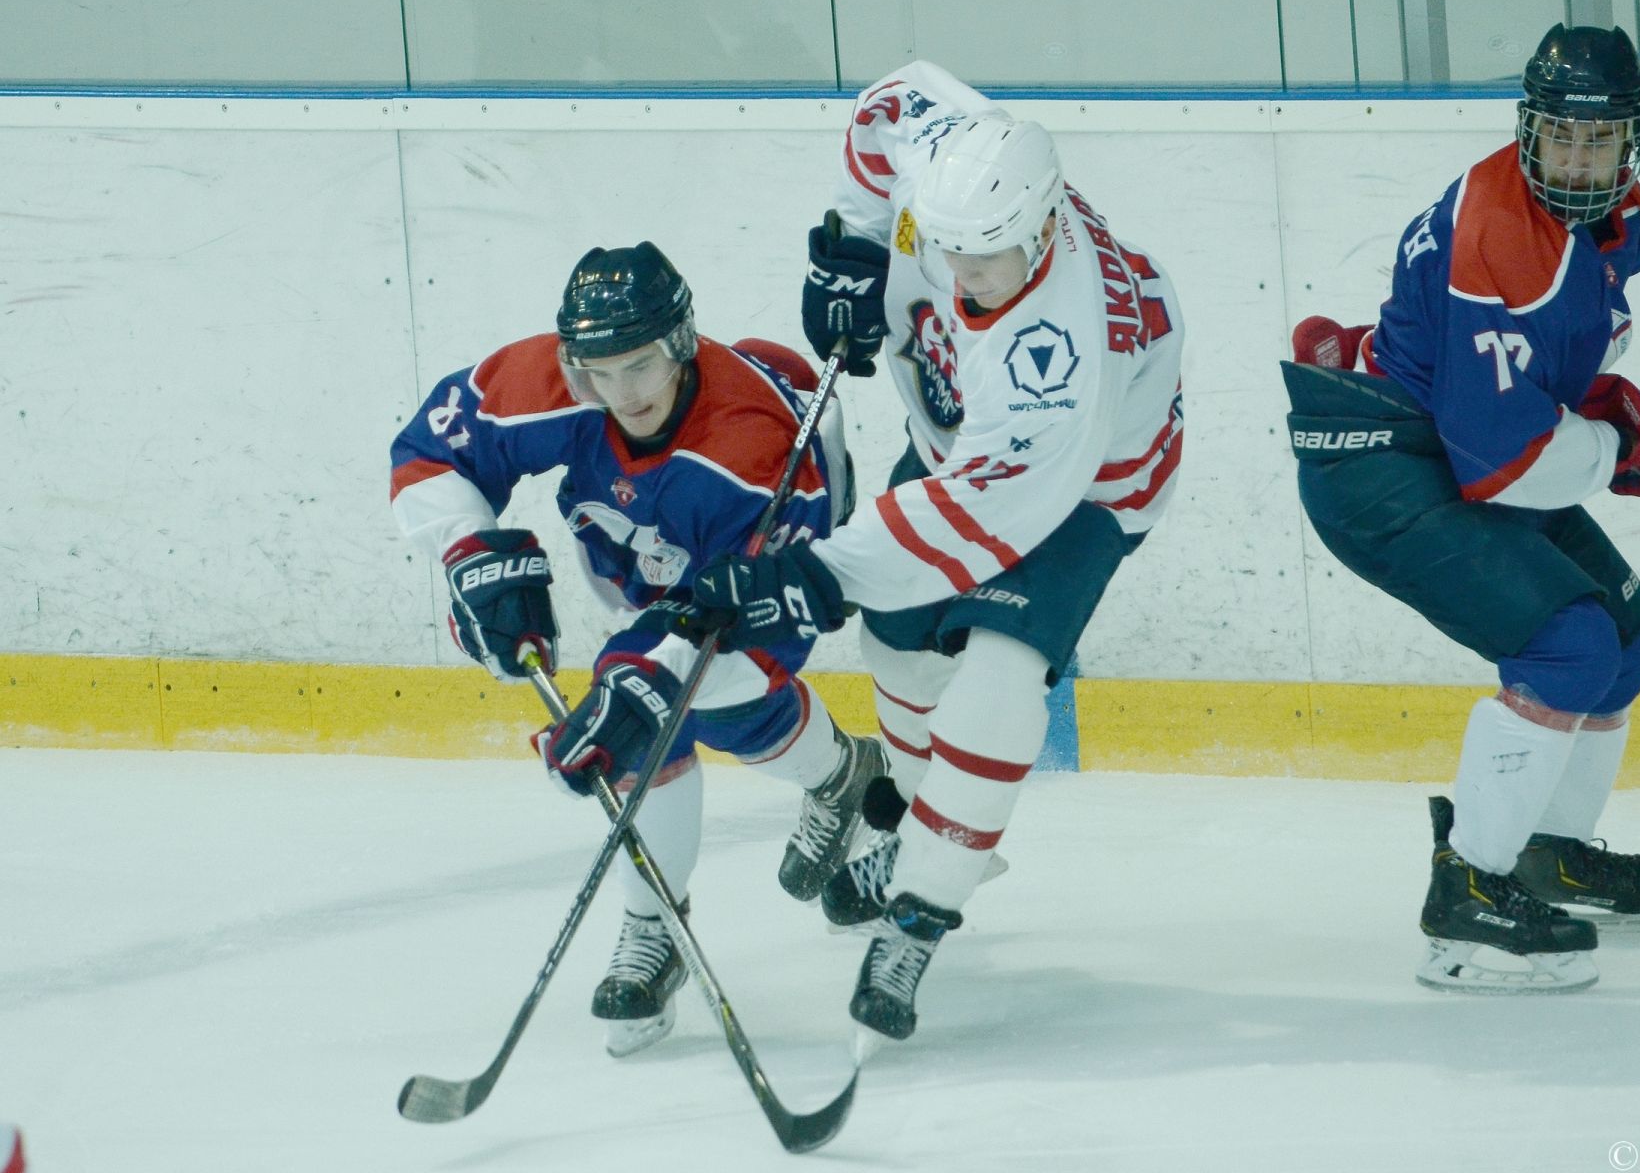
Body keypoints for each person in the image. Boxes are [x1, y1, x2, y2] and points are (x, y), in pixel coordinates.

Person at [671, 61, 1187, 1040]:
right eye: (947, 251)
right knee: (897, 644)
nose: (960, 276)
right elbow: (889, 103)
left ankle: (923, 907)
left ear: (1045, 226)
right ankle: (921, 821)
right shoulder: (953, 163)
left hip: (1087, 485)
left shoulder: (1056, 358)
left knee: (999, 672)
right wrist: (856, 242)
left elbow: (972, 521)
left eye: (986, 260)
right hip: (963, 447)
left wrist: (814, 575)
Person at [387, 242, 883, 1054]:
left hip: (766, 577)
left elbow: (736, 624)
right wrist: (469, 551)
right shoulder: (564, 379)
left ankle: (690, 894)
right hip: (643, 564)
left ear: (680, 343)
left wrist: (639, 682)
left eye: (642, 367)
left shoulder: (747, 452)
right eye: (599, 374)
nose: (623, 394)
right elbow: (430, 451)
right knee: (648, 707)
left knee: (694, 709)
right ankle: (824, 790)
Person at [1282, 24, 1640, 995]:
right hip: (1384, 466)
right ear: (1528, 129)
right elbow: (1505, 464)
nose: (1578, 160)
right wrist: (1614, 448)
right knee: (1570, 650)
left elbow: (1536, 370)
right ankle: (1467, 894)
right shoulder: (1499, 237)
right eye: (1561, 136)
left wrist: (1598, 408)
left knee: (1621, 648)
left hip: (1448, 439)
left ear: (1631, 139)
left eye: (1599, 139)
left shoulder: (1613, 217)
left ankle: (1547, 854)